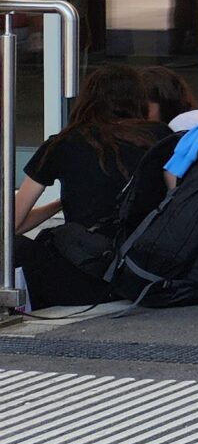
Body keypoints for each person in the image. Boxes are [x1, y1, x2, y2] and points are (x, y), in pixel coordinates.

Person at [8, 66, 167, 309]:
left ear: (87, 100)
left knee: (16, 248)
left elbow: (12, 225)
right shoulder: (159, 136)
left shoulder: (63, 143)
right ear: (137, 99)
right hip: (145, 274)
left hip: (86, 277)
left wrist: (59, 205)